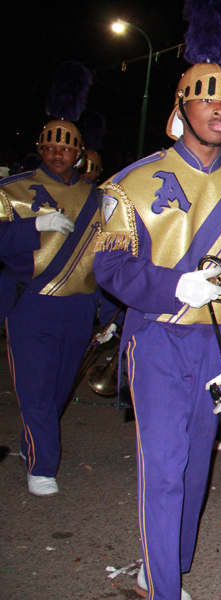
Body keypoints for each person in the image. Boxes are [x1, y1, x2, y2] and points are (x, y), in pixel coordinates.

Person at [93, 30, 221, 599]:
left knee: (198, 467)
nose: (220, 109)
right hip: (156, 338)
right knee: (166, 468)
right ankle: (165, 588)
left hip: (214, 347)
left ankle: (168, 562)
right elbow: (111, 269)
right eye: (207, 98)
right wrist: (176, 285)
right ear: (182, 107)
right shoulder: (131, 183)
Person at [0, 117, 114, 497]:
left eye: (65, 148)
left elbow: (105, 260)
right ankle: (43, 465)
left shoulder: (99, 200)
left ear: (79, 153)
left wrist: (110, 313)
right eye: (49, 147)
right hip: (31, 305)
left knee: (58, 390)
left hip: (79, 307)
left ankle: (33, 440)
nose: (56, 154)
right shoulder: (12, 190)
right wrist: (32, 227)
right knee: (35, 389)